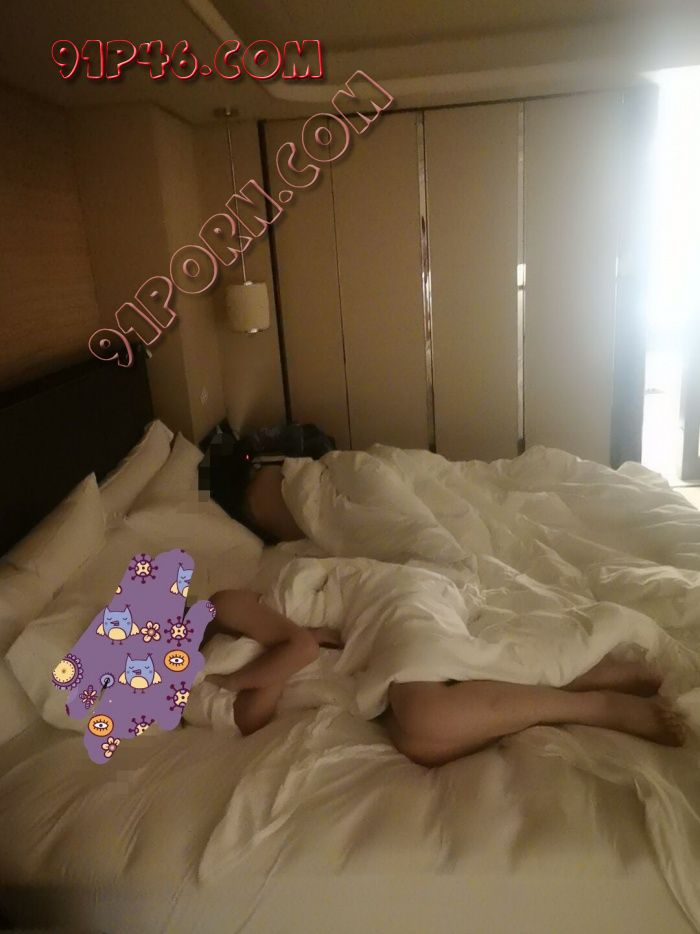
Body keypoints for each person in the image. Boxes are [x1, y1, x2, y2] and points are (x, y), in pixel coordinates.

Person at [205, 587, 688, 768]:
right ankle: (585, 684)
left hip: (384, 605)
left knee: (424, 715)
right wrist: (245, 681)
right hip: (365, 660)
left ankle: (597, 705)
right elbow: (252, 720)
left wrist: (241, 679)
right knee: (419, 746)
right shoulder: (203, 675)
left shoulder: (220, 608)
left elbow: (302, 648)